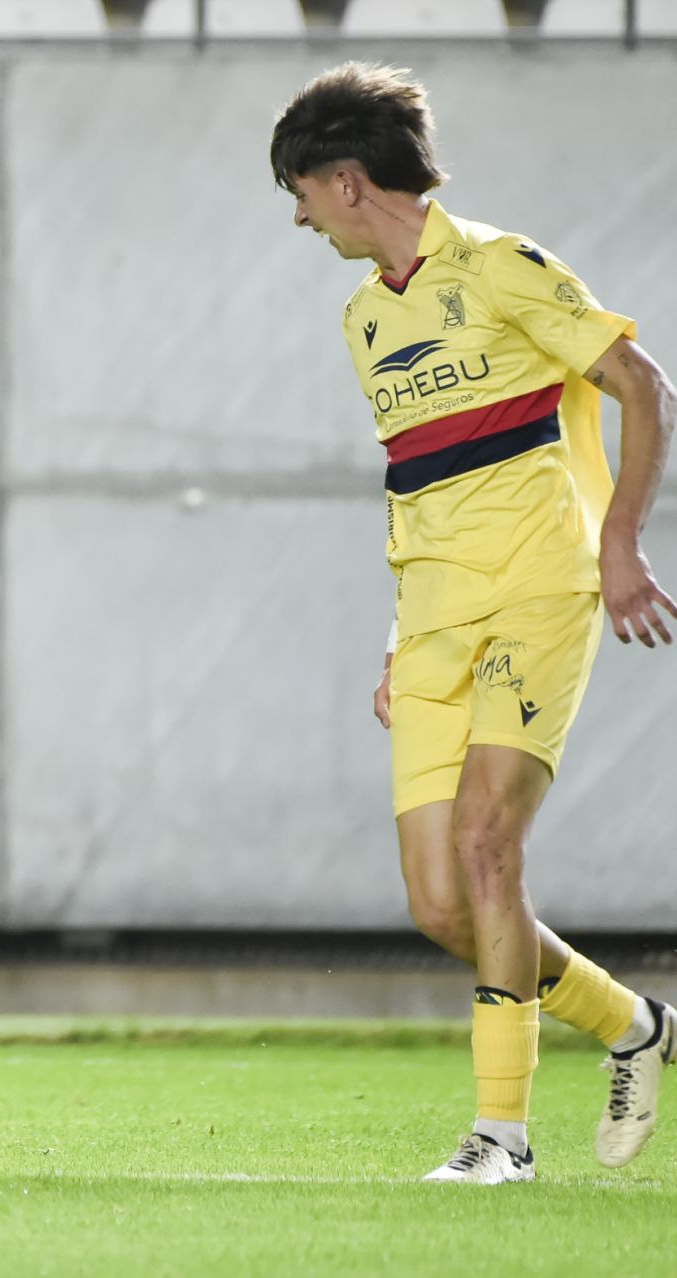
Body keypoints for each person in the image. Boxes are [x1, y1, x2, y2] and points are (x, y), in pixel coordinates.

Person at [272, 64, 677, 1184]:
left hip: (541, 593)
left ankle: (501, 1136)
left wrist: (620, 545)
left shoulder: (504, 267)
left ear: (347, 181)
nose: (298, 216)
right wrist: (400, 638)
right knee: (442, 902)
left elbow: (645, 386)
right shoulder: (363, 320)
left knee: (492, 848)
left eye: (300, 190)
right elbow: (415, 487)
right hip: (434, 620)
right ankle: (635, 1026)